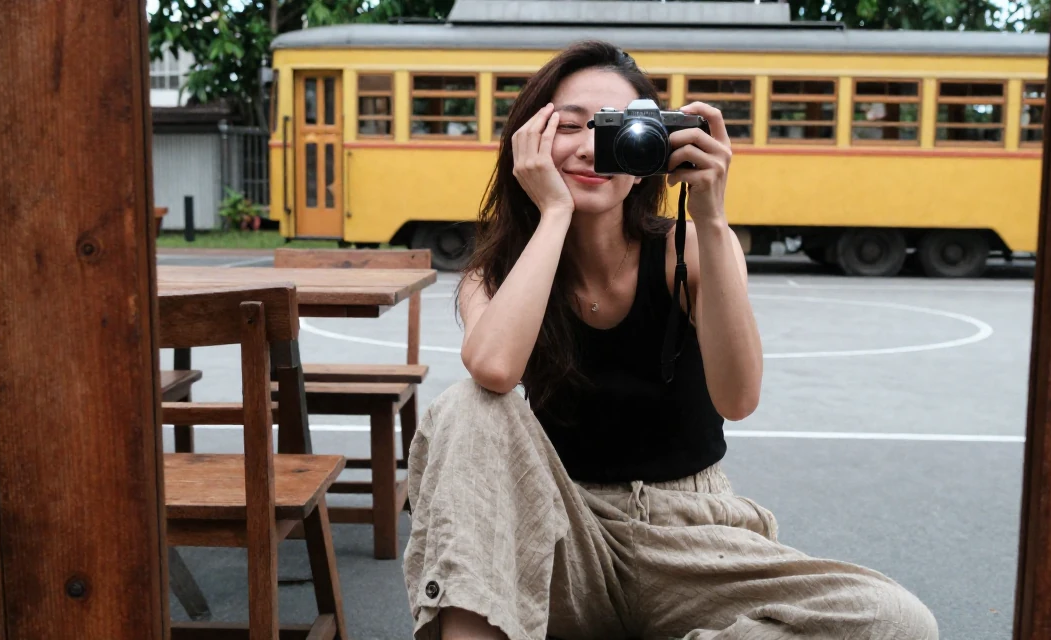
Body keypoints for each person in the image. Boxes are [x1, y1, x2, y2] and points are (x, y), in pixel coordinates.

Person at [402, 40, 939, 640]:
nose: (591, 148)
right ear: (529, 141)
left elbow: (738, 398)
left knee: (897, 622)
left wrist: (712, 217)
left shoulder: (691, 249)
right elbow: (494, 369)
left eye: (616, 130)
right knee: (468, 404)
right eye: (569, 126)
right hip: (561, 534)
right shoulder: (496, 275)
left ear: (651, 151)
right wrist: (553, 213)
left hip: (692, 537)